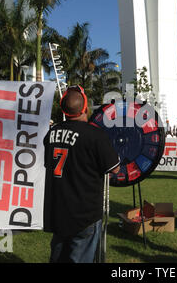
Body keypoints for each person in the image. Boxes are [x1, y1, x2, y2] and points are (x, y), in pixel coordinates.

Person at [43, 85, 120, 263]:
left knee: (58, 257)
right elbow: (114, 168)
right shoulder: (95, 136)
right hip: (85, 214)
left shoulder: (51, 134)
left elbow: (49, 164)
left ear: (63, 109)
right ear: (85, 107)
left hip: (58, 210)